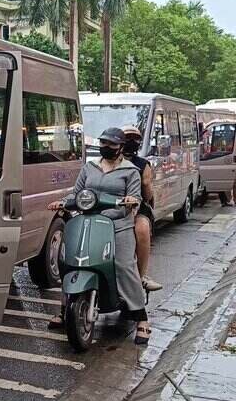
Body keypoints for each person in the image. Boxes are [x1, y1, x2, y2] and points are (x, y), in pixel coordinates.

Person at [49, 128, 151, 345]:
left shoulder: (130, 170)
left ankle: (141, 318)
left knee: (123, 264)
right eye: (104, 143)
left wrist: (129, 201)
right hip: (88, 219)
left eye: (112, 145)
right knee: (69, 260)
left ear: (121, 147)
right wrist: (63, 202)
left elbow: (135, 197)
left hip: (118, 223)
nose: (107, 148)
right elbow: (77, 193)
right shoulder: (90, 167)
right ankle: (64, 308)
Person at [121, 126, 163, 292]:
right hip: (112, 206)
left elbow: (147, 189)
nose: (131, 142)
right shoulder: (106, 163)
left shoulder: (142, 164)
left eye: (134, 138)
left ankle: (141, 275)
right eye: (127, 138)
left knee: (142, 229)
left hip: (136, 207)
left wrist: (144, 195)